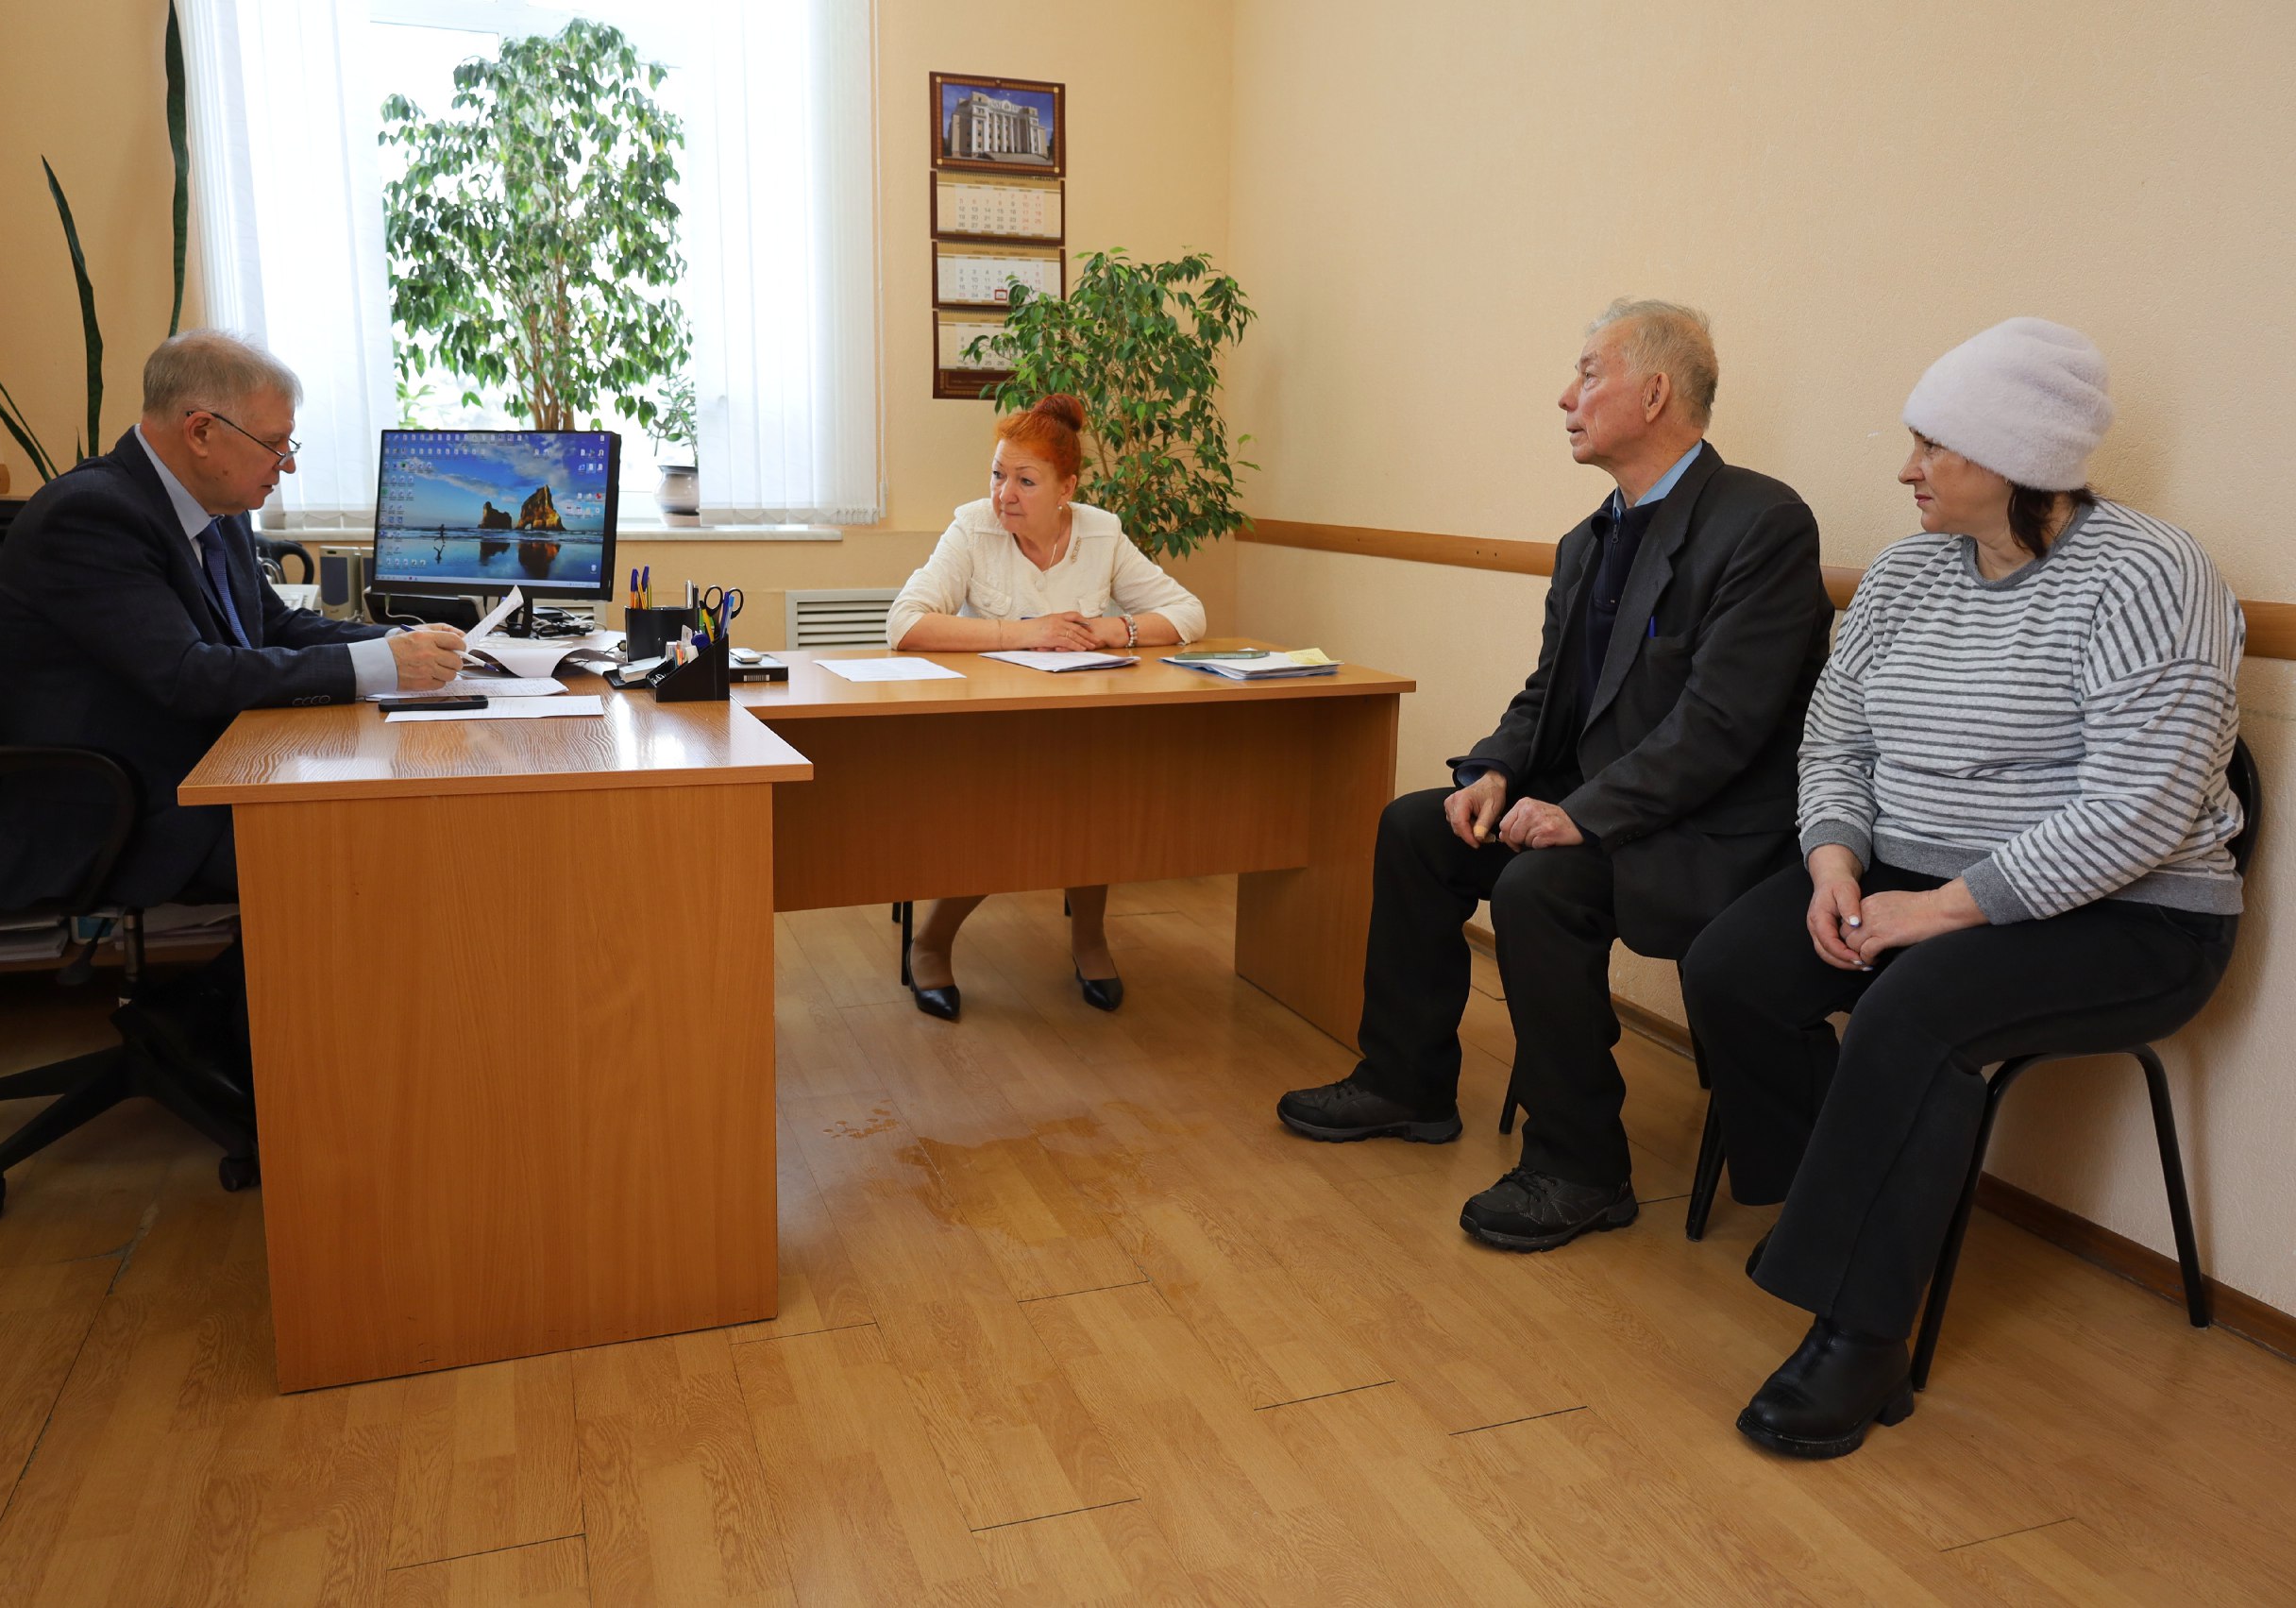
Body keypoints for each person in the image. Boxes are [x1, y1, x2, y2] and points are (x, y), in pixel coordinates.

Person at [1680, 317, 2244, 1460]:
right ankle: (1837, 1212)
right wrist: (1834, 860)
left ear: (2016, 454)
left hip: (2133, 913)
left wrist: (1933, 913)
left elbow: (2139, 812)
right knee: (1729, 965)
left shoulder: (2150, 573)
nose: (1907, 468)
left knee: (1914, 1011)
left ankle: (1861, 1337)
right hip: (1906, 870)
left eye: (1933, 444)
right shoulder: (1904, 574)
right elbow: (1837, 736)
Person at [1275, 299, 1833, 1255]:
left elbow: (1721, 727)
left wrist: (1583, 813)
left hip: (1710, 830)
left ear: (1653, 393)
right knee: (1418, 828)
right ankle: (1406, 1083)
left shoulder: (1762, 524)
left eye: (1587, 373)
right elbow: (1548, 695)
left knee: (1539, 887)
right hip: (1603, 807)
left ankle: (1582, 1166)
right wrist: (1494, 768)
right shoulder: (1588, 540)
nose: (1564, 396)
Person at [0, 329, 466, 914]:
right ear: (202, 432)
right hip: (127, 811)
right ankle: (244, 979)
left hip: (213, 770)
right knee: (368, 852)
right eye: (275, 444)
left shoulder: (217, 505)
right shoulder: (90, 515)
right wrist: (380, 665)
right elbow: (187, 675)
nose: (288, 465)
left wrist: (400, 642)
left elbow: (273, 626)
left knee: (392, 819)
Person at [885, 392, 1207, 1021]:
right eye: (997, 474)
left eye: (1025, 481)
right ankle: (932, 943)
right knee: (1010, 809)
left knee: (1096, 797)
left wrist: (1115, 630)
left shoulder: (1102, 532)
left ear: (1067, 488)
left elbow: (1188, 612)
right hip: (988, 726)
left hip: (1077, 723)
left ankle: (1089, 940)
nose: (1004, 494)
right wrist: (1024, 632)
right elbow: (905, 624)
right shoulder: (973, 528)